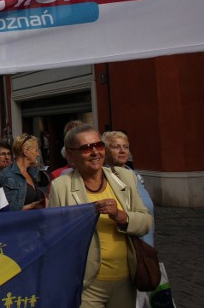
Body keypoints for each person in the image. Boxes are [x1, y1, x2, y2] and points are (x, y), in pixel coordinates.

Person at [48, 124, 153, 308]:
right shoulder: (61, 186)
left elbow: (145, 222)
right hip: (86, 284)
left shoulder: (124, 177)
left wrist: (121, 216)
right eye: (87, 148)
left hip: (125, 280)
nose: (95, 152)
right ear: (72, 155)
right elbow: (56, 237)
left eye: (99, 145)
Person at [102, 131, 155, 246]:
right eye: (116, 147)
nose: (122, 151)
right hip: (124, 243)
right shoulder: (104, 178)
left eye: (126, 147)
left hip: (146, 242)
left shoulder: (135, 175)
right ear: (105, 152)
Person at [0, 134, 48, 211]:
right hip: (19, 222)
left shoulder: (32, 172)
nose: (38, 154)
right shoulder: (7, 176)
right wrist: (31, 206)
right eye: (36, 150)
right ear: (26, 152)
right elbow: (8, 211)